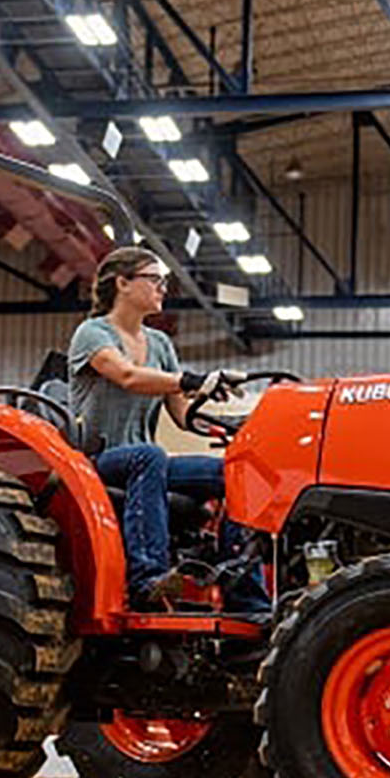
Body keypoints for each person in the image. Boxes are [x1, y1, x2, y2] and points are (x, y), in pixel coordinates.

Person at [66, 246, 269, 614]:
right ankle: (147, 578)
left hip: (145, 460)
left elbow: (181, 415)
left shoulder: (160, 343)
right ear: (123, 283)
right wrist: (191, 379)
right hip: (98, 458)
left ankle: (245, 599)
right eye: (155, 279)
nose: (163, 288)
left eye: (165, 281)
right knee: (150, 456)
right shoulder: (92, 334)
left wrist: (238, 423)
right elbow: (127, 376)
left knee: (236, 473)